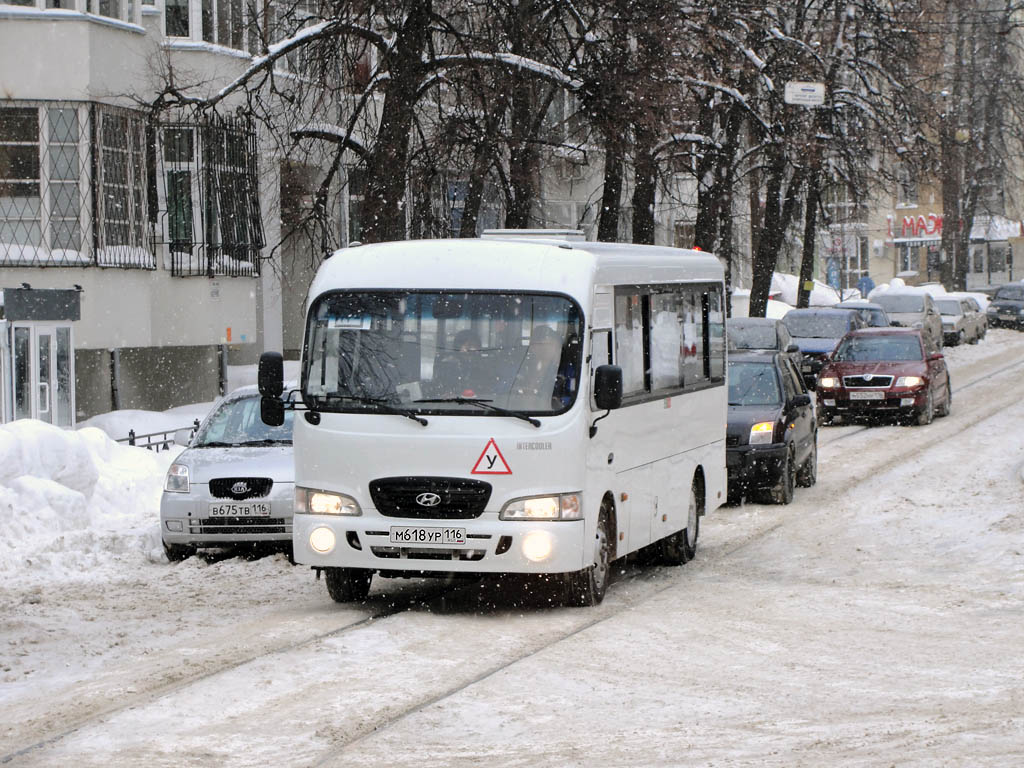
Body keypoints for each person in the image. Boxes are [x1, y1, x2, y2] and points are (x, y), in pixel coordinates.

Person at [508, 325, 564, 410]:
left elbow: (568, 402)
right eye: (537, 344)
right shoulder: (522, 367)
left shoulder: (563, 371)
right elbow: (502, 390)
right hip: (516, 413)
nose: (543, 349)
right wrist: (517, 392)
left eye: (548, 344)